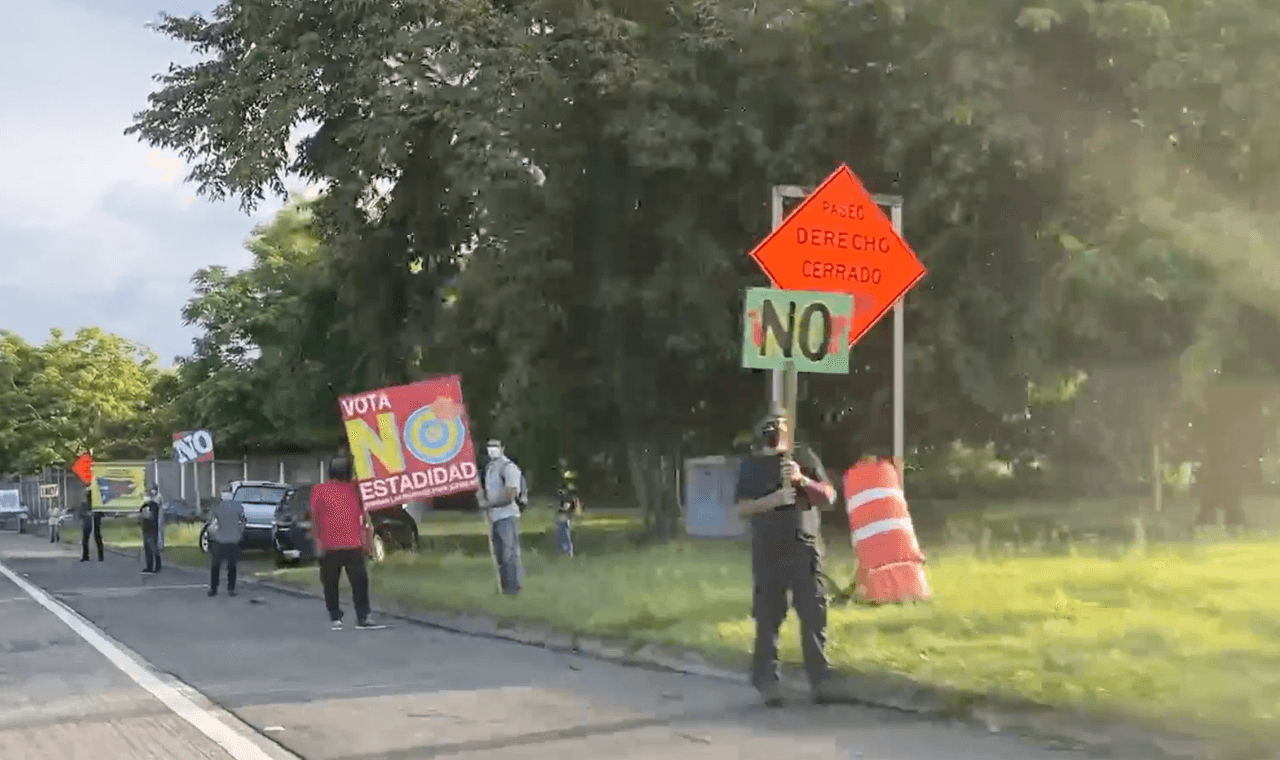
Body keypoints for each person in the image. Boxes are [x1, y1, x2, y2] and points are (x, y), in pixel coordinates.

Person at [733, 411, 856, 707]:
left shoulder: (803, 458)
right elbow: (742, 508)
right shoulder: (751, 466)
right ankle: (766, 680)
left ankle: (820, 680)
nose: (775, 434)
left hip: (804, 546)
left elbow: (828, 496)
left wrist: (801, 480)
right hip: (768, 550)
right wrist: (771, 501)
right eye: (770, 429)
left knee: (813, 613)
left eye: (780, 429)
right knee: (768, 616)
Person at [310, 457, 384, 630]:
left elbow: (315, 517)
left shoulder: (327, 489)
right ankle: (360, 615)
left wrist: (318, 540)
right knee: (356, 581)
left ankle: (340, 615)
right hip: (347, 544)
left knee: (334, 582)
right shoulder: (352, 488)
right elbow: (315, 516)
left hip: (338, 544)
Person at [480, 439, 524, 595]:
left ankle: (514, 589)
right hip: (494, 517)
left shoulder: (508, 467)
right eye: (489, 446)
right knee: (500, 555)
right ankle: (505, 588)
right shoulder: (490, 468)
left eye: (495, 446)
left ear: (502, 448)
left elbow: (510, 494)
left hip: (507, 515)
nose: (492, 449)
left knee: (509, 554)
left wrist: (490, 504)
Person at [206, 491, 246, 596]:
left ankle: (213, 589)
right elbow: (243, 521)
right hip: (234, 540)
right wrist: (239, 532)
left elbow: (212, 525)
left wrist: (212, 535)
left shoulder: (217, 507)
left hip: (220, 540)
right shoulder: (238, 506)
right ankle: (231, 589)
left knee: (215, 566)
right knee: (232, 566)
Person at [554, 463, 581, 558]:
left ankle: (567, 553)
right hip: (563, 516)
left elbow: (568, 504)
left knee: (564, 534)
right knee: (563, 534)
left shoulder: (567, 492)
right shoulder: (564, 491)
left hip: (565, 516)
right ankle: (565, 552)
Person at [140, 485, 163, 574]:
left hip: (153, 528)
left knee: (153, 547)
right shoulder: (146, 503)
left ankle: (157, 566)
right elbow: (141, 510)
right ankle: (149, 566)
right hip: (146, 527)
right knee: (147, 548)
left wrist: (149, 502)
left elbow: (155, 507)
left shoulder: (156, 502)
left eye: (154, 490)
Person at [79, 496, 103, 562]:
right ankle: (85, 556)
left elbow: (101, 513)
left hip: (96, 524)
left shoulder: (97, 505)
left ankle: (101, 556)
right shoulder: (84, 505)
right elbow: (80, 514)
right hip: (87, 524)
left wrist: (95, 514)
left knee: (97, 538)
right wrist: (88, 514)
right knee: (84, 540)